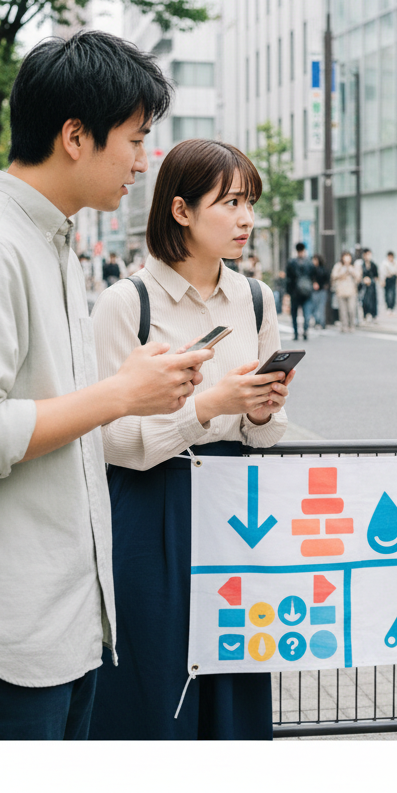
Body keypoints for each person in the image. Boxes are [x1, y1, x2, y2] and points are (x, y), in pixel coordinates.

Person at [0, 29, 213, 740]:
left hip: (63, 627)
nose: (143, 162)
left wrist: (130, 386)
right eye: (135, 141)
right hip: (0, 640)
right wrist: (121, 394)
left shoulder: (48, 242)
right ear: (76, 136)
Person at [88, 138, 291, 740]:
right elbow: (106, 438)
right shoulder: (127, 303)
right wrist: (206, 407)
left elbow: (263, 435)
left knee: (235, 675)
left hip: (234, 514)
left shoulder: (257, 299)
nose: (246, 219)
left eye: (249, 203)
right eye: (230, 203)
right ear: (181, 210)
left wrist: (261, 413)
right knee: (151, 682)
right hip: (148, 509)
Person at [285, 242, 313, 341]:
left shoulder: (292, 262)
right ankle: (304, 331)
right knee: (306, 313)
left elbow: (288, 279)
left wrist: (288, 291)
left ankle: (297, 333)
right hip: (305, 292)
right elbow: (313, 275)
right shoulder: (309, 262)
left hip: (295, 292)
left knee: (295, 314)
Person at [331, 250, 361, 332]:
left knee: (351, 309)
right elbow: (334, 276)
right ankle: (344, 325)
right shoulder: (338, 266)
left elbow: (358, 277)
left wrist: (351, 271)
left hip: (352, 291)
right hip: (341, 291)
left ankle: (351, 325)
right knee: (343, 311)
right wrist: (343, 271)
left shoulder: (354, 266)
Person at [358, 247, 379, 322]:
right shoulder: (361, 265)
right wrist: (363, 280)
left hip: (372, 286)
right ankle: (365, 315)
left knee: (373, 301)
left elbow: (376, 276)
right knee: (365, 301)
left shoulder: (373, 265)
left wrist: (371, 280)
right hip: (363, 287)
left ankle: (373, 315)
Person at [310, 253, 329, 330]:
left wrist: (324, 286)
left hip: (322, 290)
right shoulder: (311, 269)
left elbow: (327, 279)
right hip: (314, 291)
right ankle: (317, 321)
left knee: (321, 307)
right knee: (314, 307)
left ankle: (321, 323)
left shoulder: (323, 269)